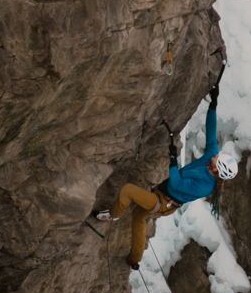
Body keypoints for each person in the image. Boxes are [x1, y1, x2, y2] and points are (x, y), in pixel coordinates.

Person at [96, 81, 239, 268]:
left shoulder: (205, 185)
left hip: (164, 202)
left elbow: (177, 185)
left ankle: (112, 215)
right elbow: (212, 133)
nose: (215, 156)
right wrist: (213, 104)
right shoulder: (212, 157)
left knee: (127, 191)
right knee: (139, 216)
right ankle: (134, 259)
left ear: (215, 170)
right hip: (162, 195)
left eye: (216, 160)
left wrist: (173, 160)